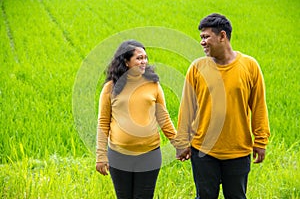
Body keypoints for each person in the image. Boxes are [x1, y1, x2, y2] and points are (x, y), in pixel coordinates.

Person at [174, 13, 270, 198]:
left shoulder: (250, 66)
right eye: (201, 37)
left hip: (238, 150)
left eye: (205, 37)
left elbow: (258, 106)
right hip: (203, 150)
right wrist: (182, 142)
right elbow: (187, 108)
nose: (202, 42)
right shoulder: (196, 68)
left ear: (222, 36)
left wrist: (260, 140)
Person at [95, 40, 177, 199]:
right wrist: (101, 155)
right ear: (126, 61)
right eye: (139, 58)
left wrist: (179, 144)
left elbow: (163, 117)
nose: (144, 61)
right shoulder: (110, 87)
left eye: (145, 57)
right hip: (119, 155)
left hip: (149, 154)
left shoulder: (153, 84)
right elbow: (103, 122)